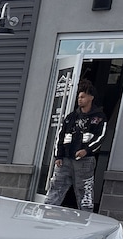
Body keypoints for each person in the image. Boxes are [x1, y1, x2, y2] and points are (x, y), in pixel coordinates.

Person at [44, 81, 107, 210]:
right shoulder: (71, 117)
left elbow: (101, 137)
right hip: (65, 159)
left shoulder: (99, 117)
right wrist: (58, 156)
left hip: (85, 161)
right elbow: (60, 137)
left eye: (83, 96)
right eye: (79, 96)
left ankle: (85, 218)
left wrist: (87, 150)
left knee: (84, 190)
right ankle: (47, 211)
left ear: (91, 98)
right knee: (56, 185)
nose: (79, 99)